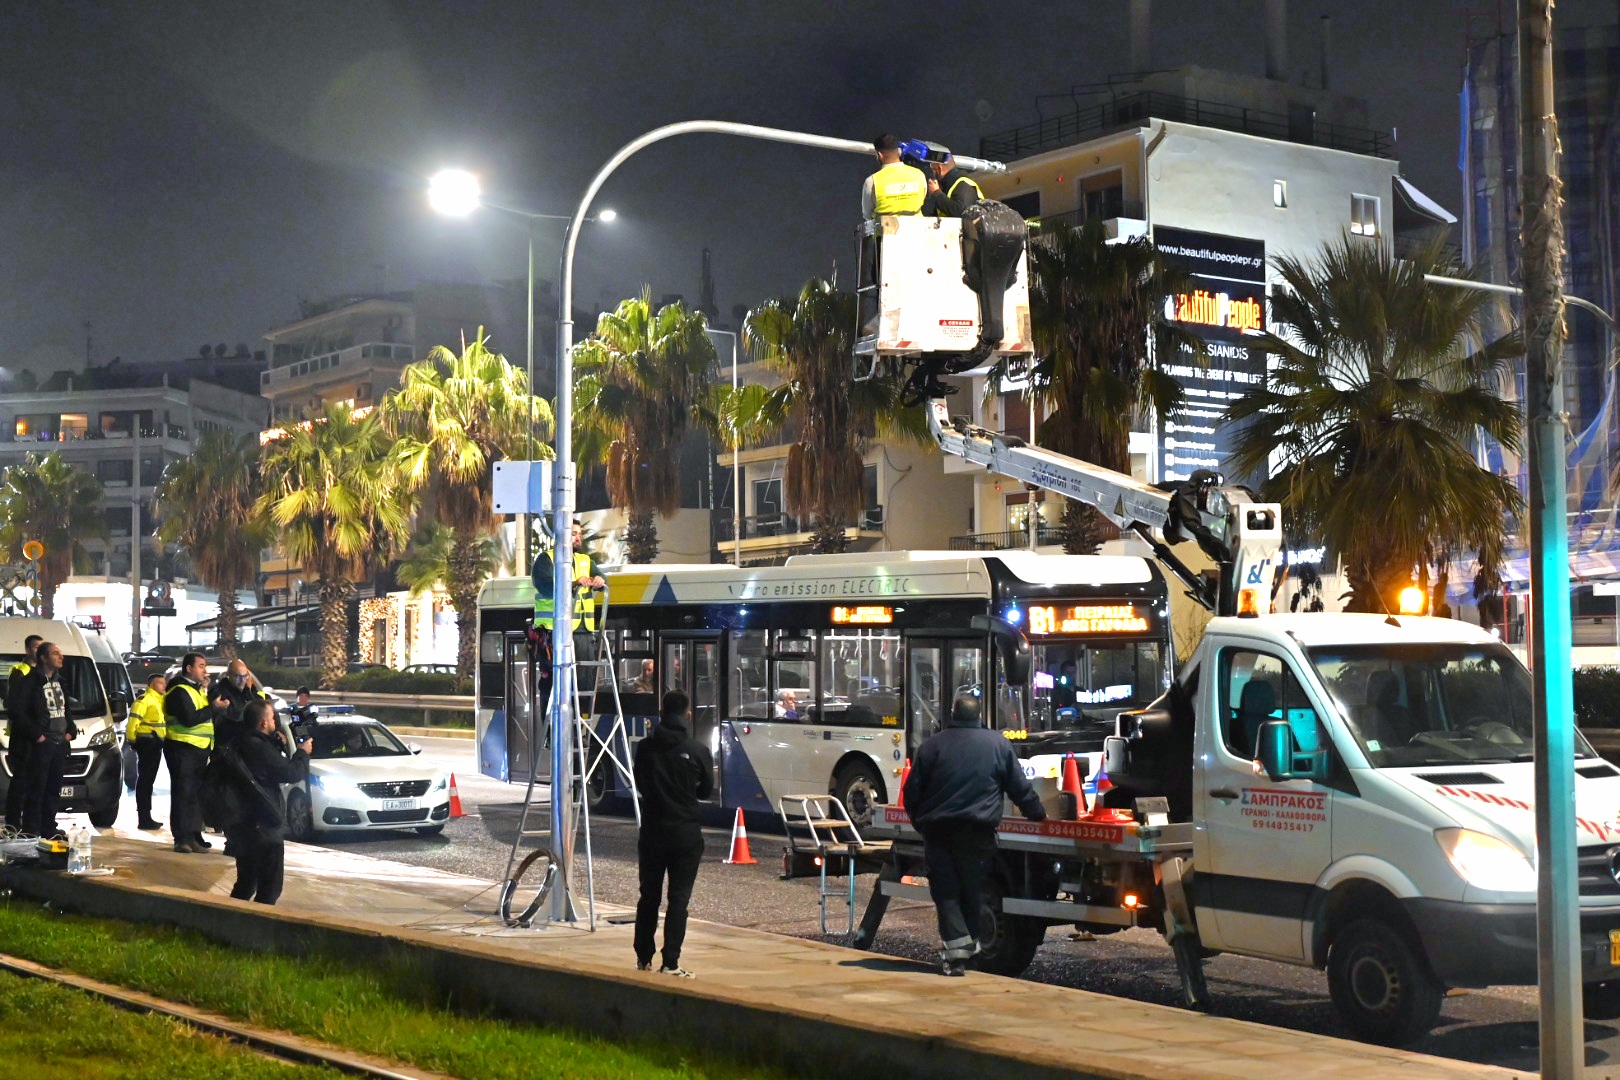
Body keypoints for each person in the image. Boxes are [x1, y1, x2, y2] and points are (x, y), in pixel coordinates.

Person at [901, 693, 1047, 975]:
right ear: (979, 716)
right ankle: (969, 950)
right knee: (973, 890)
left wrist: (921, 824)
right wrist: (1038, 814)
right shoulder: (998, 745)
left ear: (952, 714)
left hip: (939, 831)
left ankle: (958, 956)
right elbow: (1019, 788)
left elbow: (911, 793)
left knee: (946, 891)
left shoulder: (932, 746)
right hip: (979, 832)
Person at [633, 690, 714, 978]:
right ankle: (670, 962)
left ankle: (643, 958)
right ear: (688, 714)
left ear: (661, 713)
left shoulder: (645, 748)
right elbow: (706, 790)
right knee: (678, 900)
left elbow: (640, 783)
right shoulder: (697, 750)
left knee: (649, 897)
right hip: (685, 835)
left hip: (653, 832)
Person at [225, 699, 311, 904]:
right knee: (269, 888)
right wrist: (302, 753)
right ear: (263, 723)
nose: (275, 722)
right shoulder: (258, 748)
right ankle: (259, 921)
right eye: (273, 718)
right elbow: (291, 772)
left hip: (244, 823)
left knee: (246, 883)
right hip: (263, 826)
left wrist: (274, 743)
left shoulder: (241, 740)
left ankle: (229, 919)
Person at [13, 642, 78, 839]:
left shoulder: (60, 681)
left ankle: (49, 828)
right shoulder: (29, 682)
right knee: (36, 789)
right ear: (43, 657)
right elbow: (18, 711)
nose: (61, 657)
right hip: (41, 745)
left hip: (59, 744)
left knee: (53, 789)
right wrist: (38, 736)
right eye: (55, 653)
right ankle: (31, 829)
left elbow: (66, 709)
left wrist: (70, 731)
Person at [164, 652, 221, 854]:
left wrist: (207, 691)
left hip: (197, 749)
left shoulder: (195, 690)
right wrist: (213, 708)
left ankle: (194, 836)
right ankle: (182, 839)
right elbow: (190, 719)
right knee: (183, 794)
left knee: (195, 795)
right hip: (182, 749)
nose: (205, 670)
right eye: (201, 666)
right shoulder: (179, 691)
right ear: (189, 668)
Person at [4, 633, 43, 830]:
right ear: (28, 649)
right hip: (22, 736)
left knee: (35, 783)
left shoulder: (44, 672)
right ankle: (13, 824)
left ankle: (32, 825)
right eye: (36, 647)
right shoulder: (20, 671)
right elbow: (16, 705)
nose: (39, 651)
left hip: (38, 736)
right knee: (20, 782)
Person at [126, 673, 168, 830]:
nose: (164, 685)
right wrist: (132, 740)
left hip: (155, 743)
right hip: (147, 742)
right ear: (151, 685)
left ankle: (146, 817)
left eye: (164, 683)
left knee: (148, 780)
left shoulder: (159, 700)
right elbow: (133, 721)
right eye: (160, 683)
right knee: (145, 780)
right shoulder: (145, 700)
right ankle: (144, 818)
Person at [861, 133, 929, 219]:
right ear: (898, 152)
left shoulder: (872, 181)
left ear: (880, 155)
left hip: (886, 227)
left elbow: (867, 214)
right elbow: (922, 198)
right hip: (917, 226)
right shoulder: (919, 174)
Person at [209, 660, 268, 753]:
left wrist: (248, 691)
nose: (242, 680)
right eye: (238, 677)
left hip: (246, 744)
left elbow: (260, 708)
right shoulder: (219, 692)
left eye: (245, 676)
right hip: (227, 746)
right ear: (228, 675)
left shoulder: (248, 690)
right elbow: (232, 716)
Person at [921, 152, 985, 218]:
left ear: (940, 169)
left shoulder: (964, 184)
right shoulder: (947, 184)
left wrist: (936, 193)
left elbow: (961, 212)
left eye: (933, 169)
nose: (932, 173)